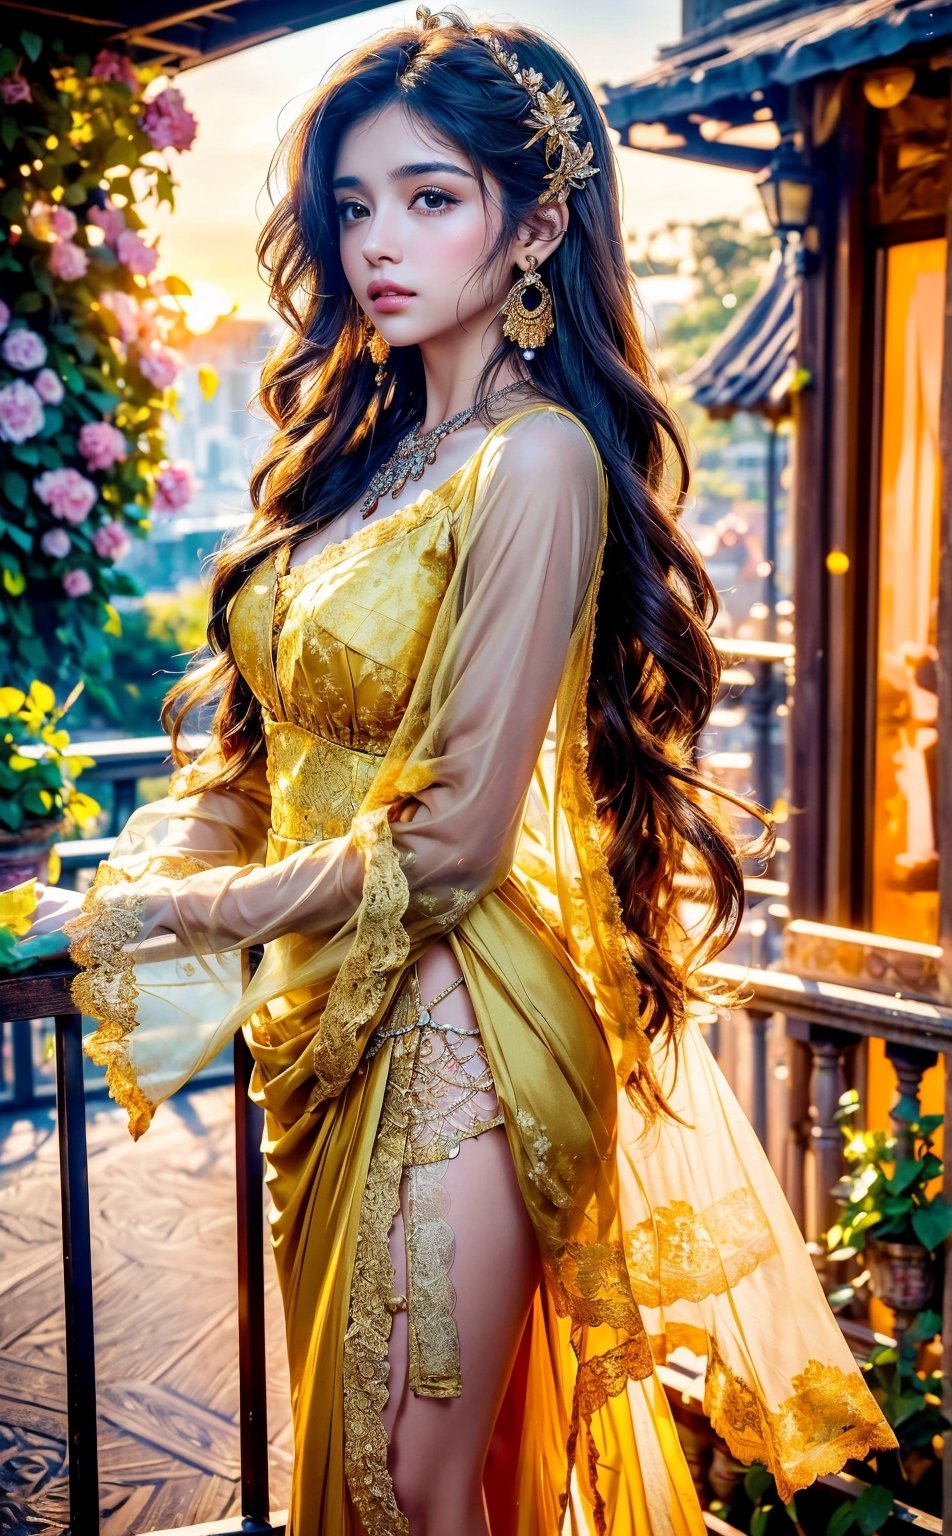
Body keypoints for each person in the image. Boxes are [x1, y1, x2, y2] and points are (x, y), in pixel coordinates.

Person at [26, 8, 896, 1533]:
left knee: (414, 1495)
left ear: (539, 222)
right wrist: (138, 873)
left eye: (433, 198)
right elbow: (268, 744)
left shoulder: (536, 459)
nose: (380, 240)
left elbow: (449, 845)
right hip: (326, 1015)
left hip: (460, 1035)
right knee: (375, 1484)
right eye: (355, 204)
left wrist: (174, 922)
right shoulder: (357, 466)